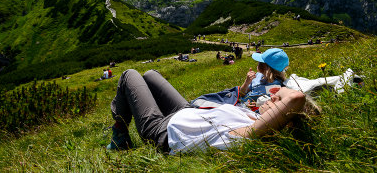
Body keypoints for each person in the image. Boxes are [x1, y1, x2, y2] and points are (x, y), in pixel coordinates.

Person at [107, 69, 307, 153]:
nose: (273, 96)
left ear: (284, 119)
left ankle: (119, 137)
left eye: (277, 99)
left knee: (128, 75)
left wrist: (281, 88)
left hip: (163, 131)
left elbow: (296, 98)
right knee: (150, 75)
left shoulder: (251, 132)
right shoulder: (253, 116)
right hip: (188, 111)